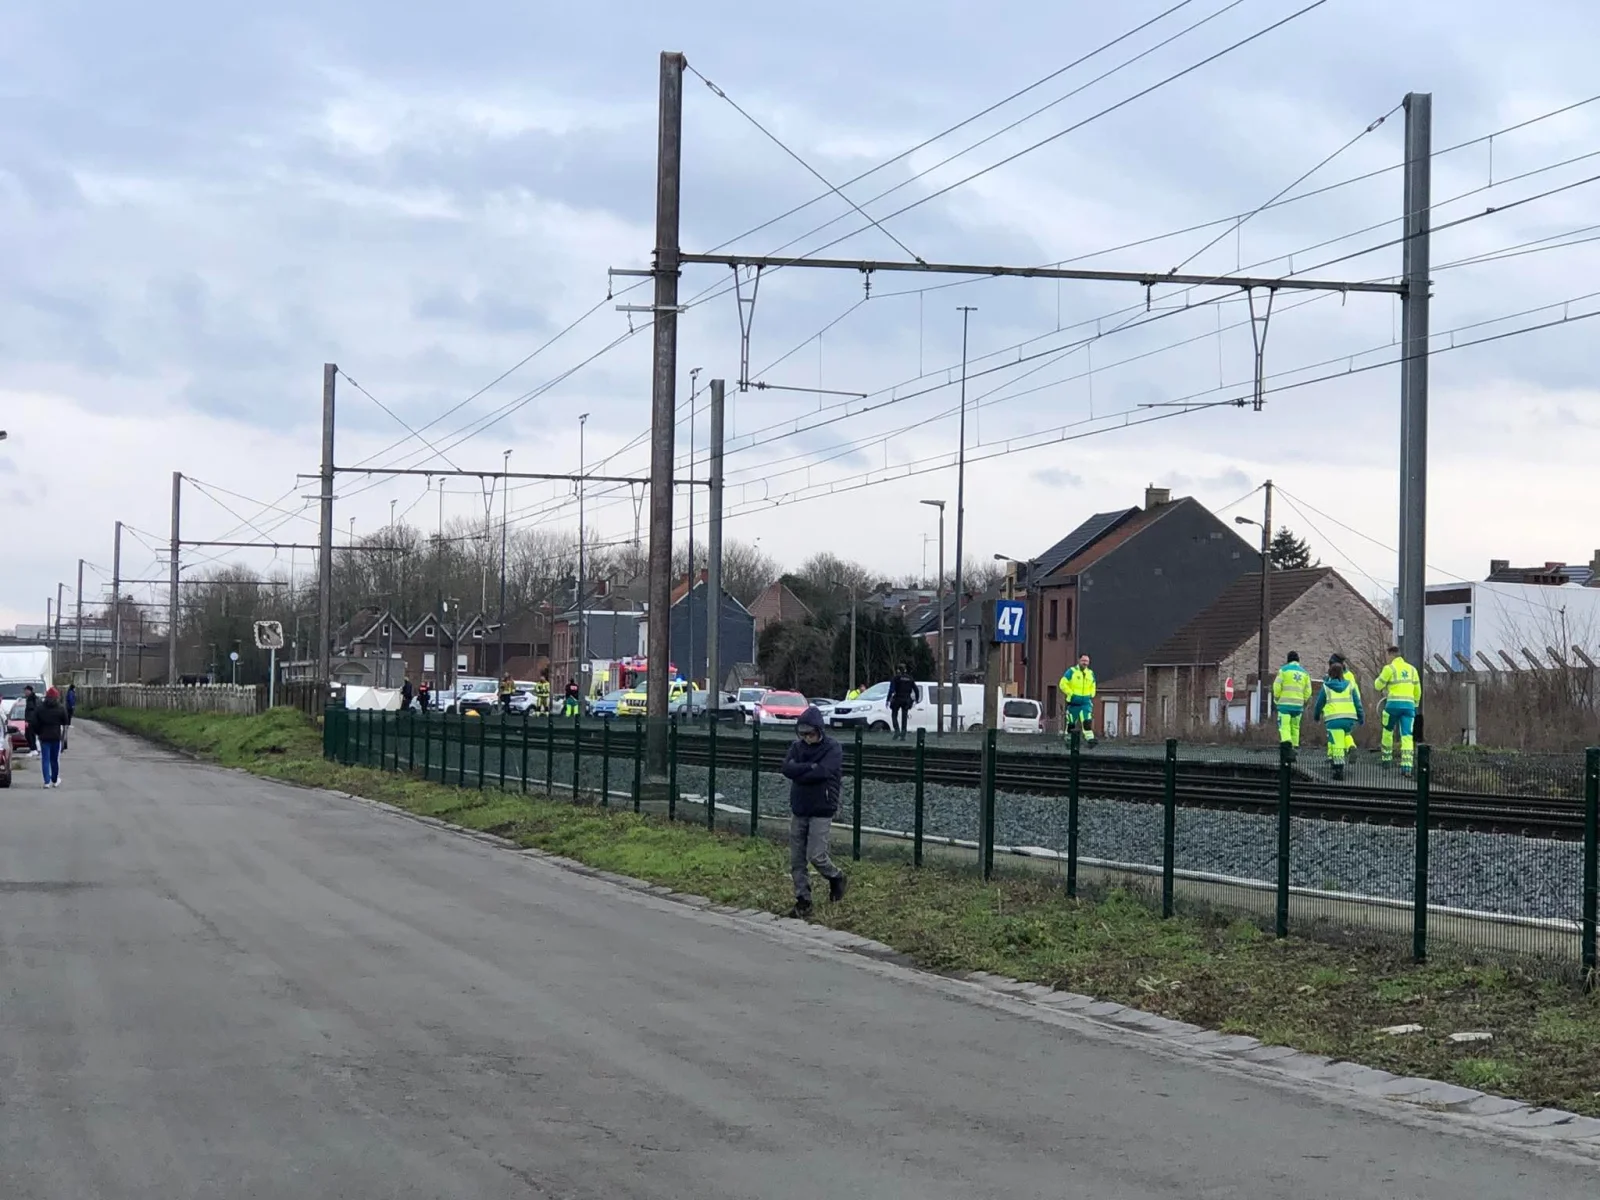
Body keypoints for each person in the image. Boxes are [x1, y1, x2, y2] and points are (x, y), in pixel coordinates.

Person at [780, 706, 846, 918]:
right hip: (799, 807)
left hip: (822, 808)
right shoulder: (796, 747)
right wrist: (810, 768)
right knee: (797, 859)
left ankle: (836, 876)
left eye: (811, 734)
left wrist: (802, 770)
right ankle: (803, 900)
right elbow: (787, 769)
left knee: (817, 855)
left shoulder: (833, 748)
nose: (807, 738)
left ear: (820, 731)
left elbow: (824, 771)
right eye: (803, 734)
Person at [1313, 656, 1364, 780]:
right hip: (1349, 718)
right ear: (1342, 673)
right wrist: (1361, 717)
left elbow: (1319, 704)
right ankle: (1351, 747)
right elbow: (1357, 703)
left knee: (1337, 744)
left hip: (1333, 719)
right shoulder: (1350, 685)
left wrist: (1316, 716)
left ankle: (1338, 770)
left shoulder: (1326, 687)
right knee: (1346, 735)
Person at [1373, 644, 1421, 776]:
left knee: (1387, 732)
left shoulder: (1389, 669)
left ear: (1390, 655)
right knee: (1407, 736)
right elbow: (1418, 690)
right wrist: (1415, 704)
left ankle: (1386, 760)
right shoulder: (1412, 670)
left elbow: (1377, 685)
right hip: (1409, 707)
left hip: (1392, 706)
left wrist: (1385, 683)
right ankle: (1407, 766)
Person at [1271, 651, 1312, 755]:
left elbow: (1276, 687)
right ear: (1298, 660)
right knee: (1295, 727)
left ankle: (1287, 746)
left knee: (1284, 726)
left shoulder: (1283, 671)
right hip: (1298, 706)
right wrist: (1303, 700)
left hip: (1284, 705)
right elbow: (1308, 691)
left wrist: (1277, 699)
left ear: (1287, 660)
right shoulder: (1305, 673)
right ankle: (1295, 746)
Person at [28, 686, 68, 788]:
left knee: (45, 759)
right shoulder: (61, 708)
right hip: (56, 736)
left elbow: (33, 722)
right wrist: (64, 738)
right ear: (56, 697)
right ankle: (54, 779)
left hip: (44, 737)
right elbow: (65, 723)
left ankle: (46, 782)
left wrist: (38, 732)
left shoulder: (40, 708)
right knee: (54, 759)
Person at [1058, 653, 1097, 746]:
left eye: (1087, 661)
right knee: (1071, 722)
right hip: (1074, 702)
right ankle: (1069, 739)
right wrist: (1071, 694)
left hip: (1086, 702)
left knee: (1087, 721)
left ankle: (1090, 739)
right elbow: (1062, 684)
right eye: (1083, 661)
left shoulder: (1090, 673)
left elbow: (1093, 685)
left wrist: (1092, 694)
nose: (1085, 663)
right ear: (1079, 661)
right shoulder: (1071, 671)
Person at [887, 664, 916, 740]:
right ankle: (903, 734)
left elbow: (891, 690)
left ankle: (897, 730)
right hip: (906, 699)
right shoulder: (910, 679)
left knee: (894, 715)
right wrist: (916, 699)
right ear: (905, 670)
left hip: (897, 698)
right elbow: (916, 690)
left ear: (898, 670)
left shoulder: (896, 678)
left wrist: (888, 699)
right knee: (904, 716)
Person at [23, 684, 39, 755]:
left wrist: (28, 721)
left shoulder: (32, 699)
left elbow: (31, 711)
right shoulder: (30, 698)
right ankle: (33, 749)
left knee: (30, 735)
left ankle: (33, 749)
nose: (25, 692)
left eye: (26, 691)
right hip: (31, 720)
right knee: (28, 735)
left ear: (29, 691)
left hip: (31, 721)